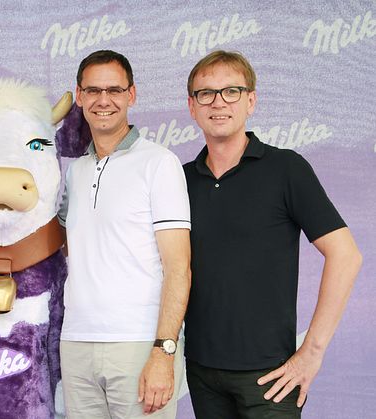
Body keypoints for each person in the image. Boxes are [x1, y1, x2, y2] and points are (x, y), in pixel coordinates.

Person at [183, 50, 362, 418]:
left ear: (251, 101)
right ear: (192, 106)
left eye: (231, 91)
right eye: (206, 94)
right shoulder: (179, 178)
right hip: (200, 371)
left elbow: (346, 255)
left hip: (270, 375)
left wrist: (311, 352)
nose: (218, 102)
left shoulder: (286, 168)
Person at [58, 49, 192, 418]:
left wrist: (164, 351)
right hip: (76, 343)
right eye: (94, 90)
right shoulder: (76, 170)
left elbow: (179, 268)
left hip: (138, 344)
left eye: (115, 90)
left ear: (131, 95)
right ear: (80, 95)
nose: (104, 101)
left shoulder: (159, 163)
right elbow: (65, 247)